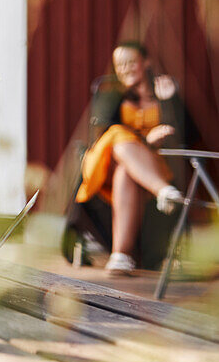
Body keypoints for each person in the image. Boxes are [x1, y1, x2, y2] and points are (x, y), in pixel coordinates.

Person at [73, 41, 186, 275]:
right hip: (106, 170)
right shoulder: (112, 95)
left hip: (152, 167)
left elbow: (183, 135)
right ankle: (163, 191)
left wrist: (169, 101)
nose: (124, 69)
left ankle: (121, 256)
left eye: (131, 62)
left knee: (127, 171)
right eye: (119, 64)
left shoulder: (163, 92)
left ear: (145, 62)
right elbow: (103, 133)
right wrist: (145, 140)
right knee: (117, 134)